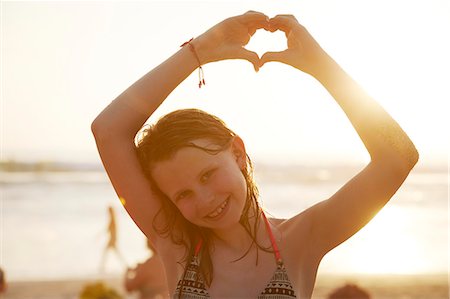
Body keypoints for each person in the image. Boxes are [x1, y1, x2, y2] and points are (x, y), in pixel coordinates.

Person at [92, 11, 418, 298]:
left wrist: (321, 66)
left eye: (207, 175)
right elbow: (107, 130)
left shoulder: (303, 239)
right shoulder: (177, 244)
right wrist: (198, 52)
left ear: (237, 152)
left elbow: (398, 157)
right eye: (183, 194)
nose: (205, 199)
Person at [99, 205, 127, 272]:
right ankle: (125, 265)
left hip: (112, 239)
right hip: (112, 239)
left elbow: (108, 230)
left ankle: (102, 267)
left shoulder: (112, 220)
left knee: (106, 252)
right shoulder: (113, 219)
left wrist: (99, 235)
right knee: (115, 253)